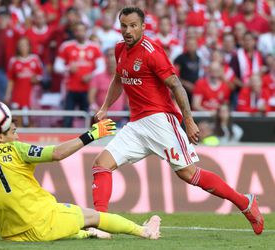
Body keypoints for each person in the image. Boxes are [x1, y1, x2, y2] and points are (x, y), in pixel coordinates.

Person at [90, 6, 264, 235]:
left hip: (160, 121)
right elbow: (118, 79)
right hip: (136, 125)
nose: (128, 30)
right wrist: (104, 108)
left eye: (133, 25)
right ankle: (99, 223)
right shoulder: (120, 49)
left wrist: (189, 120)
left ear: (143, 26)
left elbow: (176, 85)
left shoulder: (152, 51)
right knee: (101, 164)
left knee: (189, 174)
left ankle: (244, 202)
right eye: (124, 26)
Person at [0, 102, 162, 242]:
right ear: (0, 136)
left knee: (67, 222)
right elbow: (58, 153)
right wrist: (92, 135)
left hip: (11, 236)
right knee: (93, 216)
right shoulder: (17, 149)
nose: (16, 135)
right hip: (43, 221)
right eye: (13, 131)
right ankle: (145, 231)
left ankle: (86, 234)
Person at [54, 22, 105, 127]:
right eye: (77, 30)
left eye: (82, 30)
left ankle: (90, 141)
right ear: (74, 32)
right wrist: (67, 68)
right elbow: (57, 66)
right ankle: (66, 140)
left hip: (89, 89)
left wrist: (91, 75)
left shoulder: (94, 47)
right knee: (68, 118)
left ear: (86, 31)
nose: (80, 33)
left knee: (89, 118)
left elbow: (101, 67)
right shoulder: (66, 46)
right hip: (71, 89)